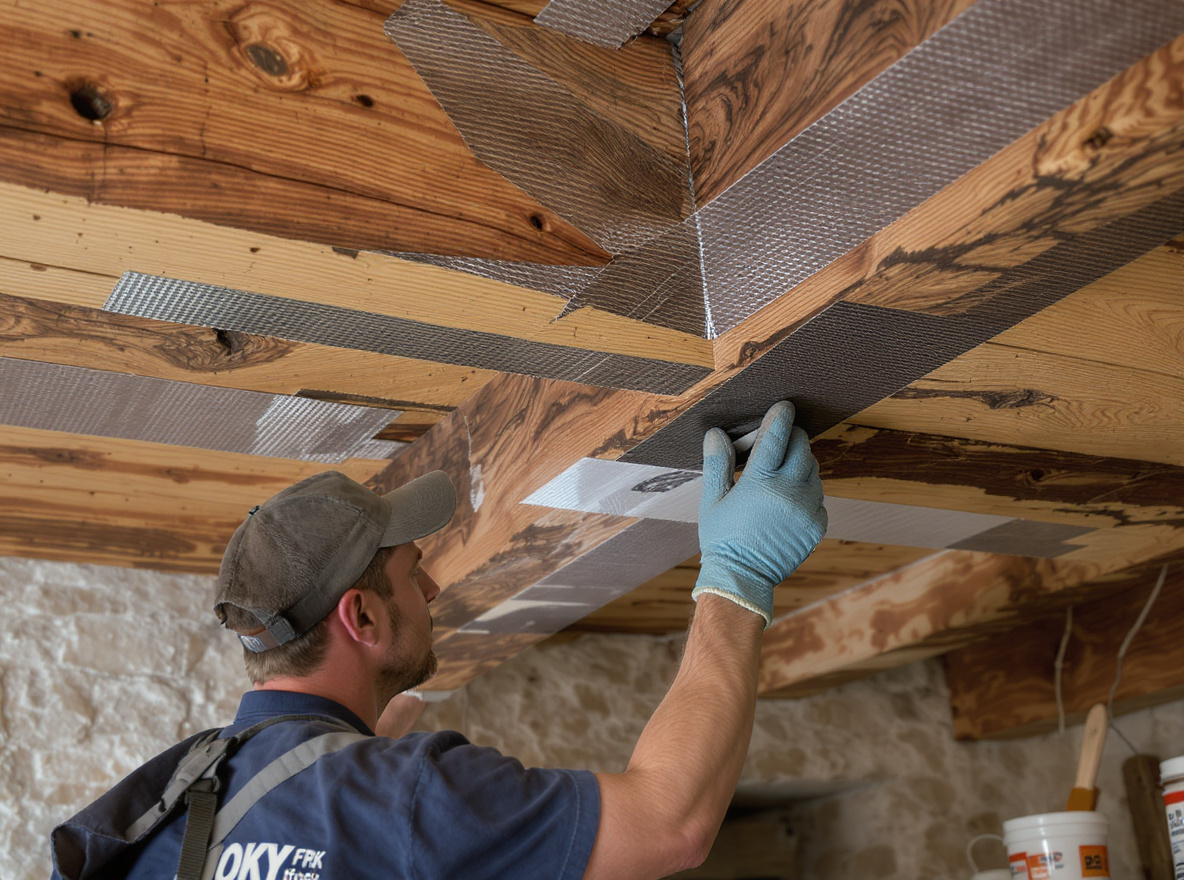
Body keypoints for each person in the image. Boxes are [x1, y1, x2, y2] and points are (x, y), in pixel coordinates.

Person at [50, 400, 827, 880]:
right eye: (412, 573)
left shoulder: (167, 797)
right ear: (362, 618)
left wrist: (363, 748)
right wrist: (736, 577)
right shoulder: (408, 796)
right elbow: (671, 825)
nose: (432, 591)